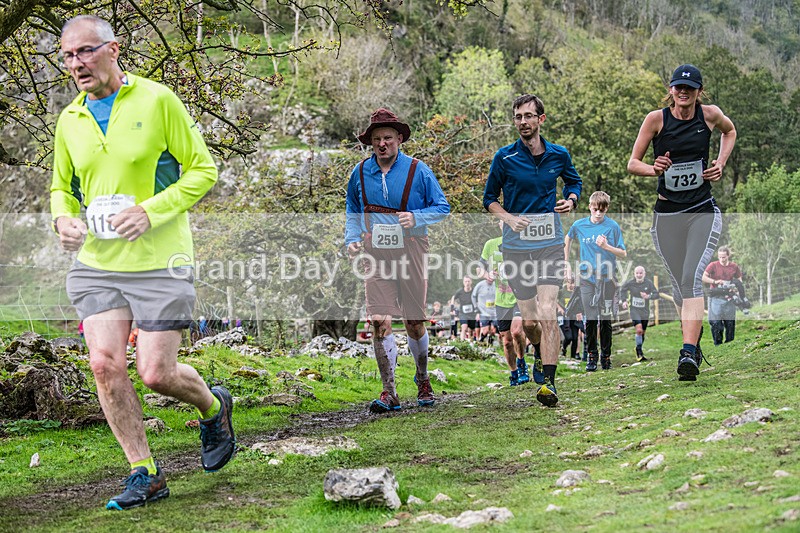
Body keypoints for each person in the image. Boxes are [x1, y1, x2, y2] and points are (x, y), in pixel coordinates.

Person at [49, 16, 235, 510]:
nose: (76, 64)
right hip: (97, 263)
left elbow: (203, 169)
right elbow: (61, 189)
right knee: (104, 364)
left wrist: (150, 212)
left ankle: (213, 407)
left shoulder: (158, 100)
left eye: (85, 52)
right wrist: (63, 220)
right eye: (67, 56)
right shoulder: (71, 120)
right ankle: (144, 472)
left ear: (113, 48)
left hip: (159, 258)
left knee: (156, 372)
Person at [628, 63, 736, 381]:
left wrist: (720, 162)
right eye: (678, 87)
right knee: (678, 288)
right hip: (667, 216)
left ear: (699, 92)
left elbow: (730, 132)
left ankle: (688, 352)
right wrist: (654, 168)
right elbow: (633, 163)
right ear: (671, 90)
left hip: (701, 210)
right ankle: (694, 340)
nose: (683, 92)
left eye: (690, 88)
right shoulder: (656, 120)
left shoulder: (711, 115)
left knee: (691, 277)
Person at [345, 108, 450, 413]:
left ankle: (422, 378)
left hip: (413, 247)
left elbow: (442, 207)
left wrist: (416, 216)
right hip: (374, 251)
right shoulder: (359, 172)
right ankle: (389, 390)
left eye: (388, 138)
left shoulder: (419, 170)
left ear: (399, 139)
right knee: (379, 320)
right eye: (377, 139)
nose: (382, 144)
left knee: (414, 322)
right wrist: (351, 239)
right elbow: (353, 210)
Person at [483, 94, 582, 406]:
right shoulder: (505, 158)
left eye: (528, 116)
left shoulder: (559, 154)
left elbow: (574, 182)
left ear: (542, 119)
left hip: (550, 243)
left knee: (548, 309)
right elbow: (489, 199)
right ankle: (539, 351)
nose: (523, 122)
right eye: (518, 117)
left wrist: (571, 200)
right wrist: (509, 219)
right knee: (528, 322)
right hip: (516, 248)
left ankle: (549, 382)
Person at [564, 191, 627, 371]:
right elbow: (567, 238)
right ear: (590, 207)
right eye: (595, 209)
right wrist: (566, 264)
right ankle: (591, 355)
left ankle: (606, 356)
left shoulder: (612, 226)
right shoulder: (580, 225)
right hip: (586, 278)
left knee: (605, 319)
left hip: (606, 278)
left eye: (602, 210)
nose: (598, 213)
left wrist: (606, 246)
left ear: (606, 208)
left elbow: (623, 253)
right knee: (590, 318)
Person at [479, 223, 544, 386]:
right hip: (501, 299)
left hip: (520, 296)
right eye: (503, 221)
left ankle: (523, 366)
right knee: (506, 341)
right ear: (499, 223)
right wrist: (486, 274)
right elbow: (479, 268)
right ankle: (514, 372)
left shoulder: (523, 242)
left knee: (516, 332)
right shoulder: (491, 244)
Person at [702, 246, 747, 345]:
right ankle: (718, 343)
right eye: (720, 257)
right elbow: (703, 277)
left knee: (730, 322)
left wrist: (734, 287)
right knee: (716, 322)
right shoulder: (713, 265)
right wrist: (715, 281)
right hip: (715, 295)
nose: (721, 259)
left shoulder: (734, 267)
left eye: (724, 257)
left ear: (728, 256)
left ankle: (729, 343)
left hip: (729, 296)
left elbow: (739, 280)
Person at [620, 266, 662, 362]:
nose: (639, 275)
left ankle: (638, 347)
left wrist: (648, 296)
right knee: (639, 330)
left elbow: (656, 294)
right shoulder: (630, 283)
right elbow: (622, 290)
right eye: (637, 273)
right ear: (634, 274)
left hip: (645, 311)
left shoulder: (649, 283)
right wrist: (624, 301)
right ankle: (639, 351)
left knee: (642, 331)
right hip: (634, 310)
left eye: (640, 273)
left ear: (644, 274)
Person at [472, 274, 497, 344]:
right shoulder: (480, 285)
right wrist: (476, 309)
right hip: (483, 311)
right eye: (489, 278)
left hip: (493, 311)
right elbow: (473, 296)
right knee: (485, 330)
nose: (490, 280)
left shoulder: (496, 285)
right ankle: (481, 341)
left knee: (493, 330)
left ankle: (490, 343)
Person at [452, 276, 478, 341]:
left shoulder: (474, 291)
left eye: (468, 281)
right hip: (463, 313)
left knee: (472, 329)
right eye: (466, 281)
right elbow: (453, 298)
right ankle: (462, 342)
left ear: (471, 282)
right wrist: (452, 308)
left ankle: (474, 342)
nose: (467, 283)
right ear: (463, 282)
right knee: (464, 327)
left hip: (472, 313)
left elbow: (479, 299)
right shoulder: (460, 291)